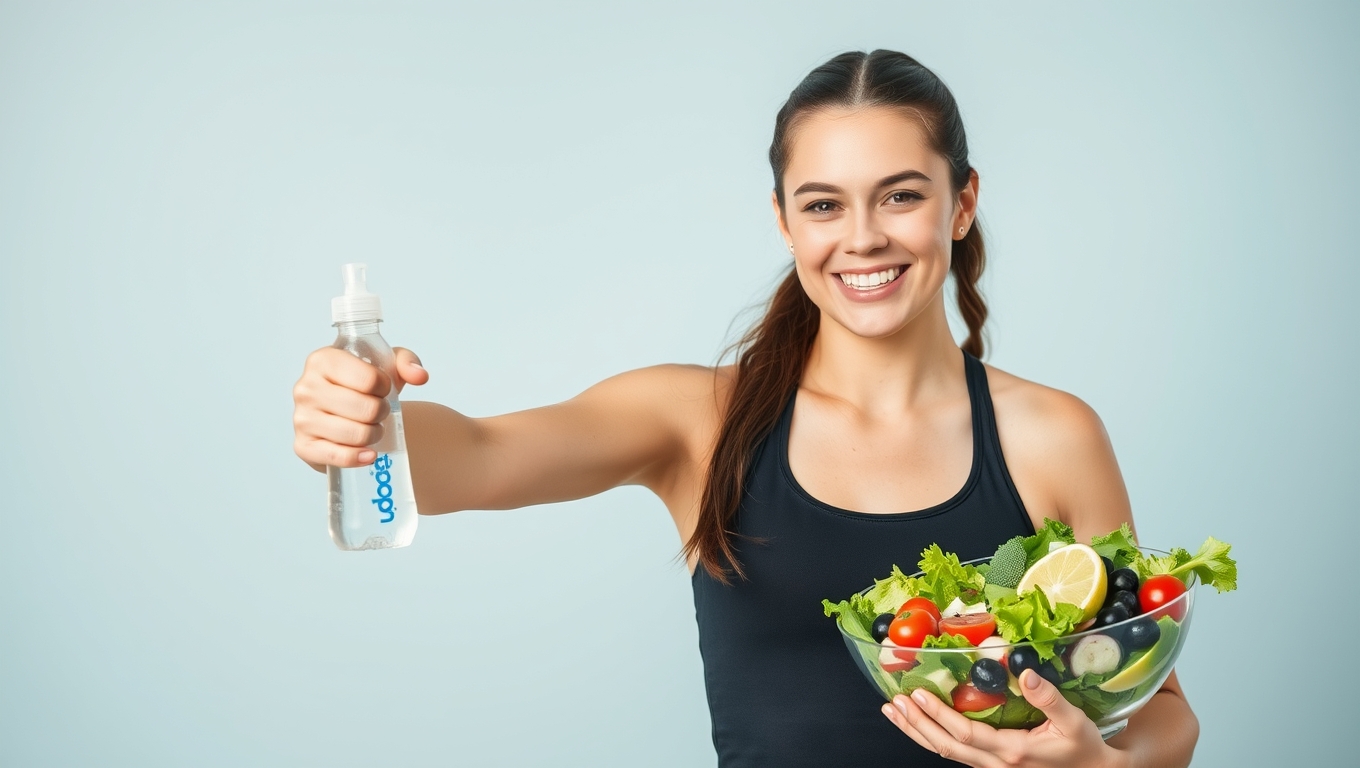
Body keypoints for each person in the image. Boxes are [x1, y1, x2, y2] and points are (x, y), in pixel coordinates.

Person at [291, 50, 1199, 768]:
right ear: (783, 221)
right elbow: (474, 458)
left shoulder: (1052, 436)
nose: (862, 237)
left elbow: (1163, 712)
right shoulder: (700, 421)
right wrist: (363, 417)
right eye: (823, 204)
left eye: (901, 195)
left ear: (961, 204)